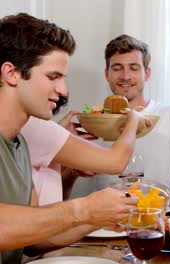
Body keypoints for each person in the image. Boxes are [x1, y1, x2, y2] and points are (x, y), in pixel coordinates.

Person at [0, 13, 138, 263]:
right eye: (53, 77)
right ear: (11, 73)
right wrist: (83, 209)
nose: (63, 90)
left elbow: (33, 241)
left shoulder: (20, 146)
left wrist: (95, 218)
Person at [75, 34, 170, 211]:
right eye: (117, 68)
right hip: (104, 222)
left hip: (155, 218)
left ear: (147, 73)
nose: (125, 76)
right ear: (107, 74)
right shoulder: (91, 120)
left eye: (134, 68)